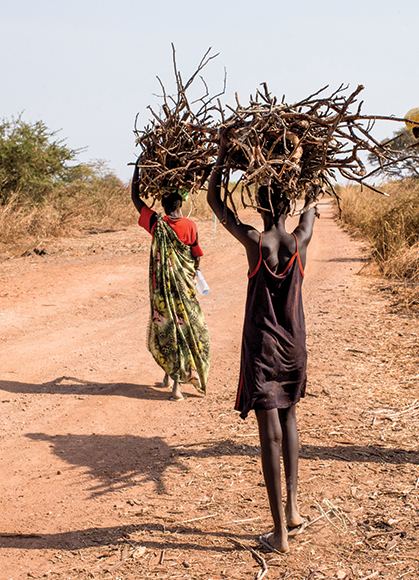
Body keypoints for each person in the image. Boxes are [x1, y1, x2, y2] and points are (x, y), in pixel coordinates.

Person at [207, 130, 316, 553]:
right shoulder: (300, 240)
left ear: (259, 202)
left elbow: (217, 205)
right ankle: (291, 510)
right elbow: (311, 207)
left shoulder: (256, 243)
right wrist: (308, 174)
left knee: (268, 432)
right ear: (286, 203)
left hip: (263, 349)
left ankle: (279, 534)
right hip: (294, 346)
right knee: (289, 420)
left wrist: (220, 158)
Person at [131, 162, 210, 400]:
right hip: (185, 289)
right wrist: (190, 273)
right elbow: (196, 256)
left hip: (163, 291)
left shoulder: (158, 224)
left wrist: (137, 169)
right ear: (181, 203)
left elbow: (136, 200)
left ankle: (173, 380)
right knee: (186, 329)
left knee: (167, 329)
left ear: (163, 204)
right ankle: (174, 382)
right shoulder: (190, 226)